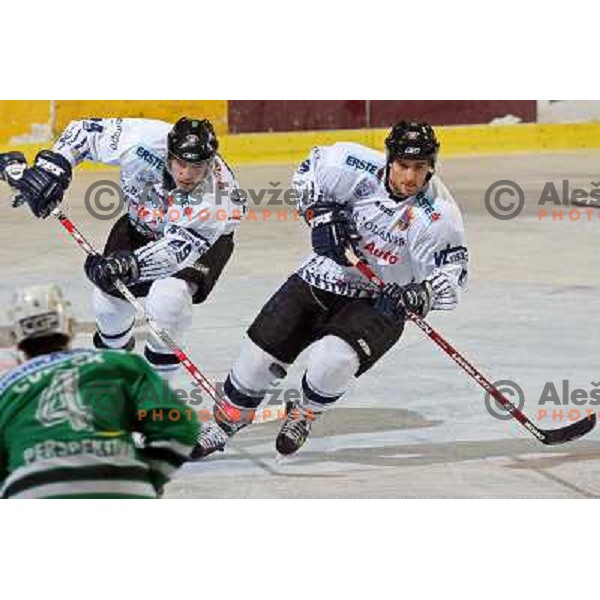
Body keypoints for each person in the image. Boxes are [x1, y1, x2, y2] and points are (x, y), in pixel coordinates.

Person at [192, 121, 469, 458]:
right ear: (389, 159)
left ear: (431, 166)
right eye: (403, 165)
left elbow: (454, 274)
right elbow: (307, 172)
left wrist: (421, 294)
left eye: (420, 168)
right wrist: (319, 213)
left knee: (332, 360)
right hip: (320, 278)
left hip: (380, 301)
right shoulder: (350, 164)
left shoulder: (439, 216)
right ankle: (225, 424)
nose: (410, 177)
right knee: (255, 364)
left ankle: (306, 412)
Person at [0, 117, 244, 379]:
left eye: (196, 167)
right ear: (169, 153)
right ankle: (114, 379)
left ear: (209, 163)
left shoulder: (216, 198)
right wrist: (54, 168)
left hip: (201, 241)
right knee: (107, 305)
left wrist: (129, 266)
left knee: (168, 300)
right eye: (181, 163)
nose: (186, 174)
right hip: (142, 222)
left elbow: (175, 252)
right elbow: (85, 133)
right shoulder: (141, 140)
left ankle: (156, 397)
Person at [0, 283, 199, 499]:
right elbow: (179, 426)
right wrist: (148, 477)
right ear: (70, 326)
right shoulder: (120, 364)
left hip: (32, 490)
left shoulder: (6, 388)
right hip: (122, 483)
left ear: (17, 338)